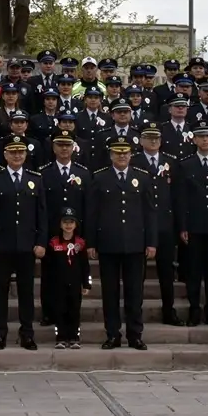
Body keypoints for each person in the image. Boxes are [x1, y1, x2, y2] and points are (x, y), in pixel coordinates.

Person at [85, 136, 156, 350]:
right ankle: (112, 334)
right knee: (110, 292)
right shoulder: (99, 178)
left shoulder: (142, 178)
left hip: (135, 244)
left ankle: (135, 335)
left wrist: (151, 242)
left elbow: (150, 213)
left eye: (125, 152)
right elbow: (91, 213)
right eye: (117, 152)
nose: (122, 156)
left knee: (135, 293)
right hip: (108, 244)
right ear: (111, 154)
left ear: (131, 154)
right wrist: (91, 242)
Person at [0, 137, 48, 351]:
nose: (17, 155)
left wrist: (41, 242)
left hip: (27, 246)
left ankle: (27, 333)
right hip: (1, 246)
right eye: (13, 152)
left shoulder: (35, 179)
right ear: (5, 155)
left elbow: (42, 215)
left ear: (25, 155)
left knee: (26, 292)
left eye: (20, 152)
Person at [171, 122, 208, 327]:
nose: (204, 140)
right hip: (193, 226)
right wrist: (183, 226)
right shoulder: (185, 164)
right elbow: (180, 198)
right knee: (194, 271)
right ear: (194, 139)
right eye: (200, 136)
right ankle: (194, 310)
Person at [129, 123, 182, 326]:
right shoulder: (134, 161)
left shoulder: (171, 162)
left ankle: (169, 310)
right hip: (140, 224)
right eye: (149, 138)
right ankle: (135, 311)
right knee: (137, 274)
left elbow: (177, 196)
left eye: (156, 138)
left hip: (165, 224)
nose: (153, 141)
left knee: (166, 272)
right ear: (141, 140)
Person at [38, 129, 91, 327]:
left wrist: (85, 236)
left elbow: (88, 207)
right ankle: (48, 312)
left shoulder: (83, 173)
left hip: (75, 236)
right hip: (52, 234)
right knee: (50, 274)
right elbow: (42, 207)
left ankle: (72, 313)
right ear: (53, 147)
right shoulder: (43, 173)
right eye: (60, 144)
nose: (64, 148)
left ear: (73, 147)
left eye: (67, 145)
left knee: (73, 275)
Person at [43, 207, 91, 350]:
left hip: (75, 283)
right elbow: (49, 266)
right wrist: (50, 284)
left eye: (71, 222)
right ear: (60, 224)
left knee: (74, 310)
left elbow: (85, 266)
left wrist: (86, 284)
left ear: (76, 225)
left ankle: (75, 337)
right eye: (65, 222)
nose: (68, 225)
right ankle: (61, 338)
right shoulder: (53, 243)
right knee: (60, 310)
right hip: (59, 283)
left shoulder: (80, 244)